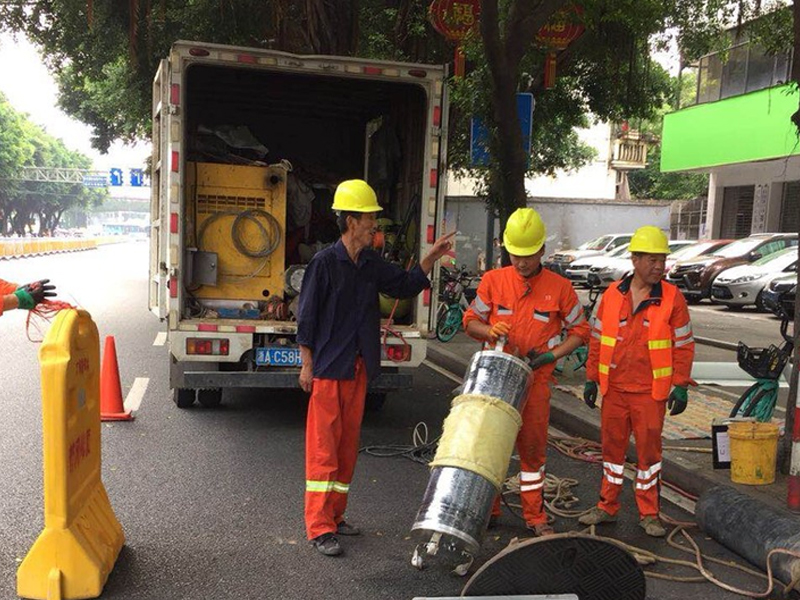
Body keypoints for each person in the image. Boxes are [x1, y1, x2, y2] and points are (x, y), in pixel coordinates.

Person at [297, 179, 455, 557]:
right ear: (351, 222)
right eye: (370, 219)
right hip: (329, 369)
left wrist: (429, 259)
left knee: (347, 447)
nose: (374, 227)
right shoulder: (324, 263)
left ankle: (336, 516)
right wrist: (306, 366)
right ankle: (318, 527)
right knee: (323, 450)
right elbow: (307, 318)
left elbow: (402, 286)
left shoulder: (369, 263)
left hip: (358, 369)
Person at [462, 207, 590, 536]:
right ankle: (487, 509)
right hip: (497, 381)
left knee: (532, 451)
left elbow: (580, 330)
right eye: (516, 255)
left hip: (536, 381)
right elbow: (470, 322)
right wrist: (489, 330)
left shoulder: (560, 288)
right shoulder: (493, 280)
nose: (521, 262)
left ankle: (534, 516)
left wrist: (552, 355)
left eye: (529, 255)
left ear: (542, 251)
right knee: (492, 448)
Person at [579, 225, 695, 537]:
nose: (659, 266)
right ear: (635, 259)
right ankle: (607, 506)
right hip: (614, 389)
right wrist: (591, 378)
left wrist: (681, 384)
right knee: (612, 453)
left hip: (649, 392)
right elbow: (596, 339)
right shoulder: (612, 294)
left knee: (648, 457)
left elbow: (683, 345)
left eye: (663, 260)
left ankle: (649, 512)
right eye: (652, 260)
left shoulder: (672, 298)